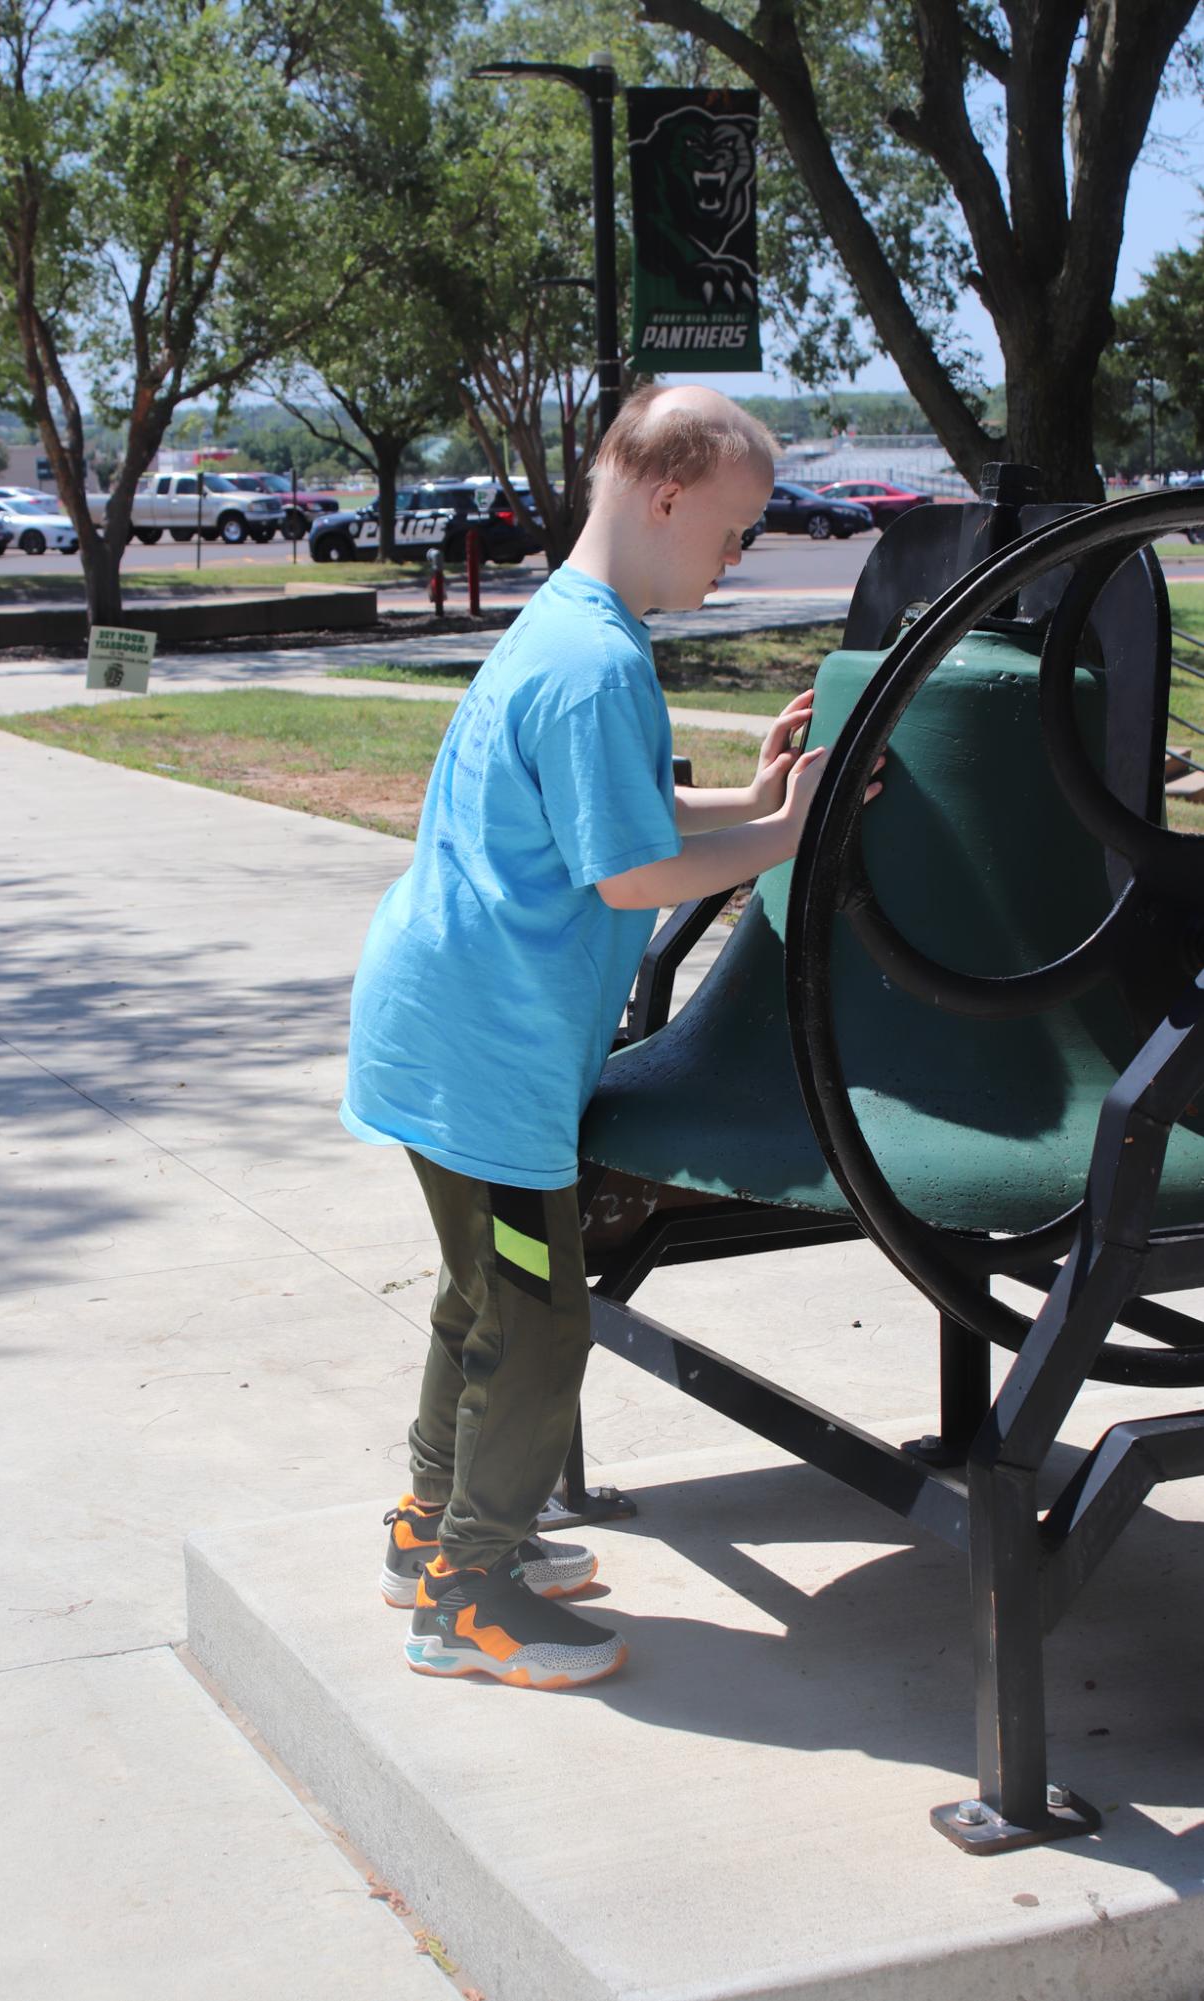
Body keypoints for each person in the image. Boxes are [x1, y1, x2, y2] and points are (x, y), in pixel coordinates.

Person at [342, 382, 870, 1691]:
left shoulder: (572, 632)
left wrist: (749, 795)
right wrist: (792, 833)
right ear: (666, 493)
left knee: (483, 1295)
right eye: (734, 530)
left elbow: (613, 810)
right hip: (486, 1058)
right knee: (536, 1319)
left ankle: (437, 1537)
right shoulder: (594, 662)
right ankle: (469, 1595)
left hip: (445, 1034)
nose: (735, 557)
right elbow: (628, 873)